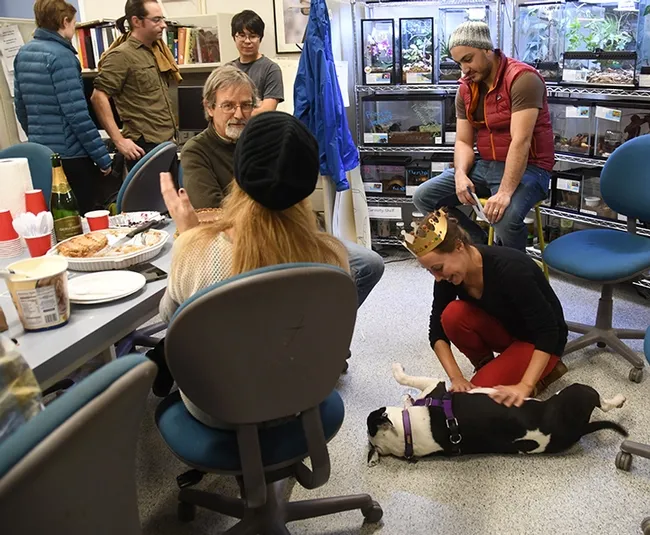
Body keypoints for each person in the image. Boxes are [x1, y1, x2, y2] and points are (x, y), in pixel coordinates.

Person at [159, 112, 349, 426]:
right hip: (301, 400)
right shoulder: (331, 258)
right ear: (308, 182)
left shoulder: (193, 249)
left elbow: (171, 321)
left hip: (216, 410)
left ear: (238, 173)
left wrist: (186, 236)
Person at [181, 65, 384, 309]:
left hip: (290, 228)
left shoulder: (263, 137)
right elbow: (210, 211)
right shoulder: (196, 151)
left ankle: (325, 322)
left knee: (368, 263)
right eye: (228, 106)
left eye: (246, 105)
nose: (238, 114)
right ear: (209, 107)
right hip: (242, 241)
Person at [402, 209, 568, 408]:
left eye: (437, 268)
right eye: (430, 271)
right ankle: (488, 365)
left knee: (476, 400)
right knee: (452, 315)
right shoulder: (448, 275)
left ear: (459, 246)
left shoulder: (511, 270)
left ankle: (547, 372)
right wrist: (457, 378)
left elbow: (549, 332)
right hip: (506, 330)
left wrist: (525, 385)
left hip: (539, 344)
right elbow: (436, 330)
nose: (437, 277)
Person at [413, 21, 554, 252]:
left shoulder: (523, 79)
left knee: (505, 219)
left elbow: (521, 141)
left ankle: (513, 267)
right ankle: (480, 248)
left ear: (488, 50)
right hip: (486, 165)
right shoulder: (466, 88)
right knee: (424, 197)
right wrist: (459, 174)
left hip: (531, 167)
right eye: (459, 63)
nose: (464, 69)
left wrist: (506, 192)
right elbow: (463, 141)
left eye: (468, 59)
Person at [13, 0, 113, 214]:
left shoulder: (23, 53)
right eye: (74, 22)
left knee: (58, 219)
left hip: (42, 154)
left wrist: (38, 139)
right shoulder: (62, 56)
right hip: (72, 157)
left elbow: (21, 107)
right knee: (88, 216)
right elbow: (77, 115)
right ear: (64, 21)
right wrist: (102, 158)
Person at [91, 0, 179, 171]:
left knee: (170, 197)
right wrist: (119, 140)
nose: (163, 25)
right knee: (149, 198)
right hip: (144, 147)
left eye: (162, 19)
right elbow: (98, 96)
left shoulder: (155, 51)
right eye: (156, 20)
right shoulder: (121, 55)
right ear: (137, 21)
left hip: (166, 143)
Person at [228, 10, 283, 115]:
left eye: (253, 36)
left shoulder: (271, 69)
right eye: (242, 35)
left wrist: (235, 111)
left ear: (260, 38)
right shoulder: (227, 70)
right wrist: (256, 105)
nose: (247, 41)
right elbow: (221, 108)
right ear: (234, 37)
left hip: (258, 129)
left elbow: (267, 111)